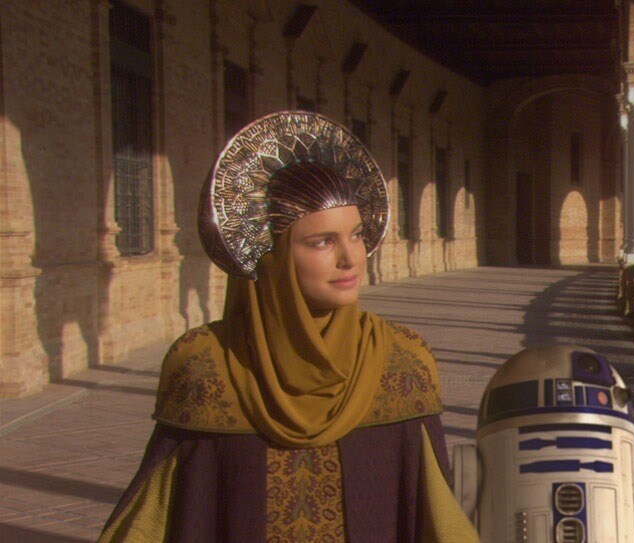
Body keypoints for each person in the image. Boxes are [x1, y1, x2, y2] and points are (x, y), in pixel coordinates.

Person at [99, 111, 479, 542]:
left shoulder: (402, 363)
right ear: (271, 255)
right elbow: (159, 514)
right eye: (322, 242)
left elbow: (436, 514)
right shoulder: (206, 369)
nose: (351, 258)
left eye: (356, 235)